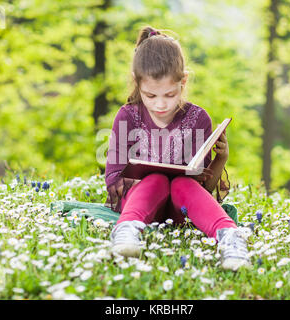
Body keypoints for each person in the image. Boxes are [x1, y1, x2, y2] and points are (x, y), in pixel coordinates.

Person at [104, 26, 250, 270]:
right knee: (157, 179)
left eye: (170, 94)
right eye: (151, 96)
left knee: (182, 183)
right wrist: (142, 176)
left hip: (180, 208)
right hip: (139, 202)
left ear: (183, 81)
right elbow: (112, 179)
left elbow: (202, 188)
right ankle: (126, 230)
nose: (160, 104)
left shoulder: (198, 118)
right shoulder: (127, 116)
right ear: (136, 82)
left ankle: (230, 238)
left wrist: (220, 160)